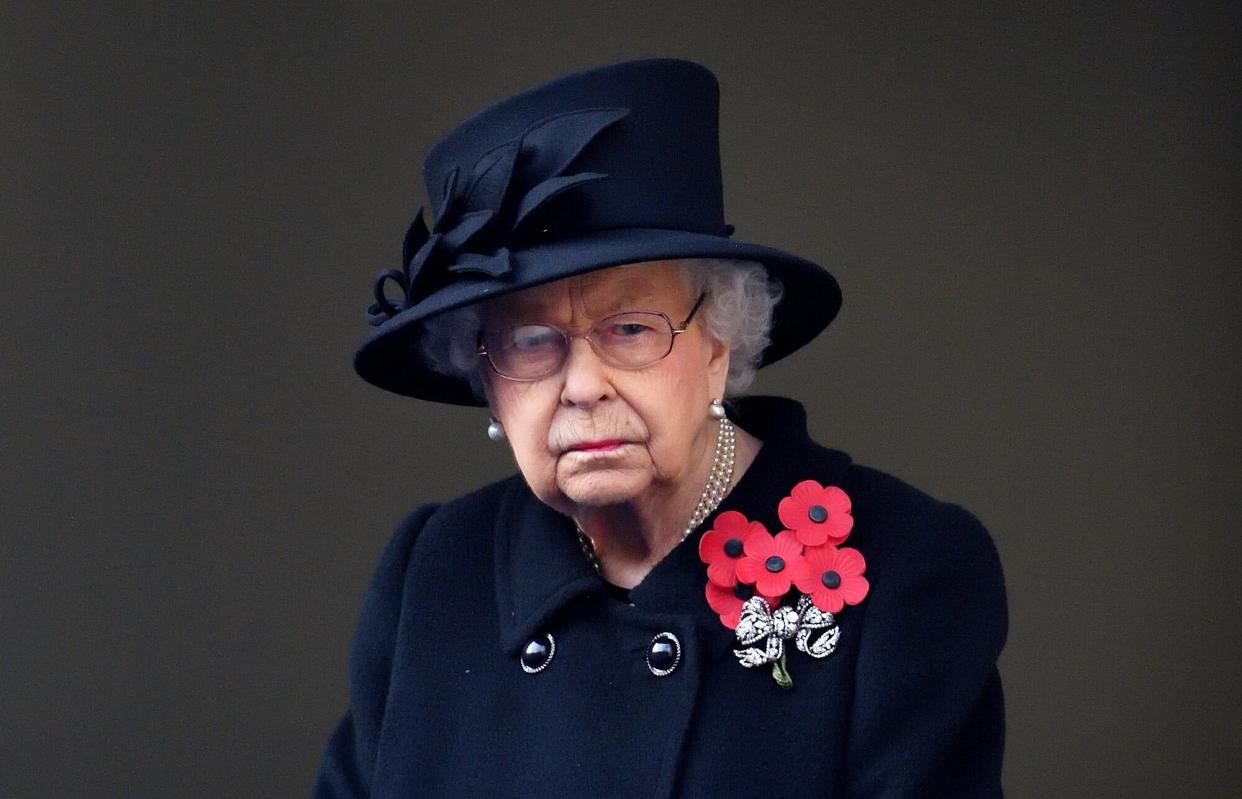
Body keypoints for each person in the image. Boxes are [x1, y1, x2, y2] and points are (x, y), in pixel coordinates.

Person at [314, 59, 1006, 798]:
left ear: (720, 344)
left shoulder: (906, 569)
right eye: (529, 340)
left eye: (631, 327)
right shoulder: (432, 574)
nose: (581, 385)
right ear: (486, 379)